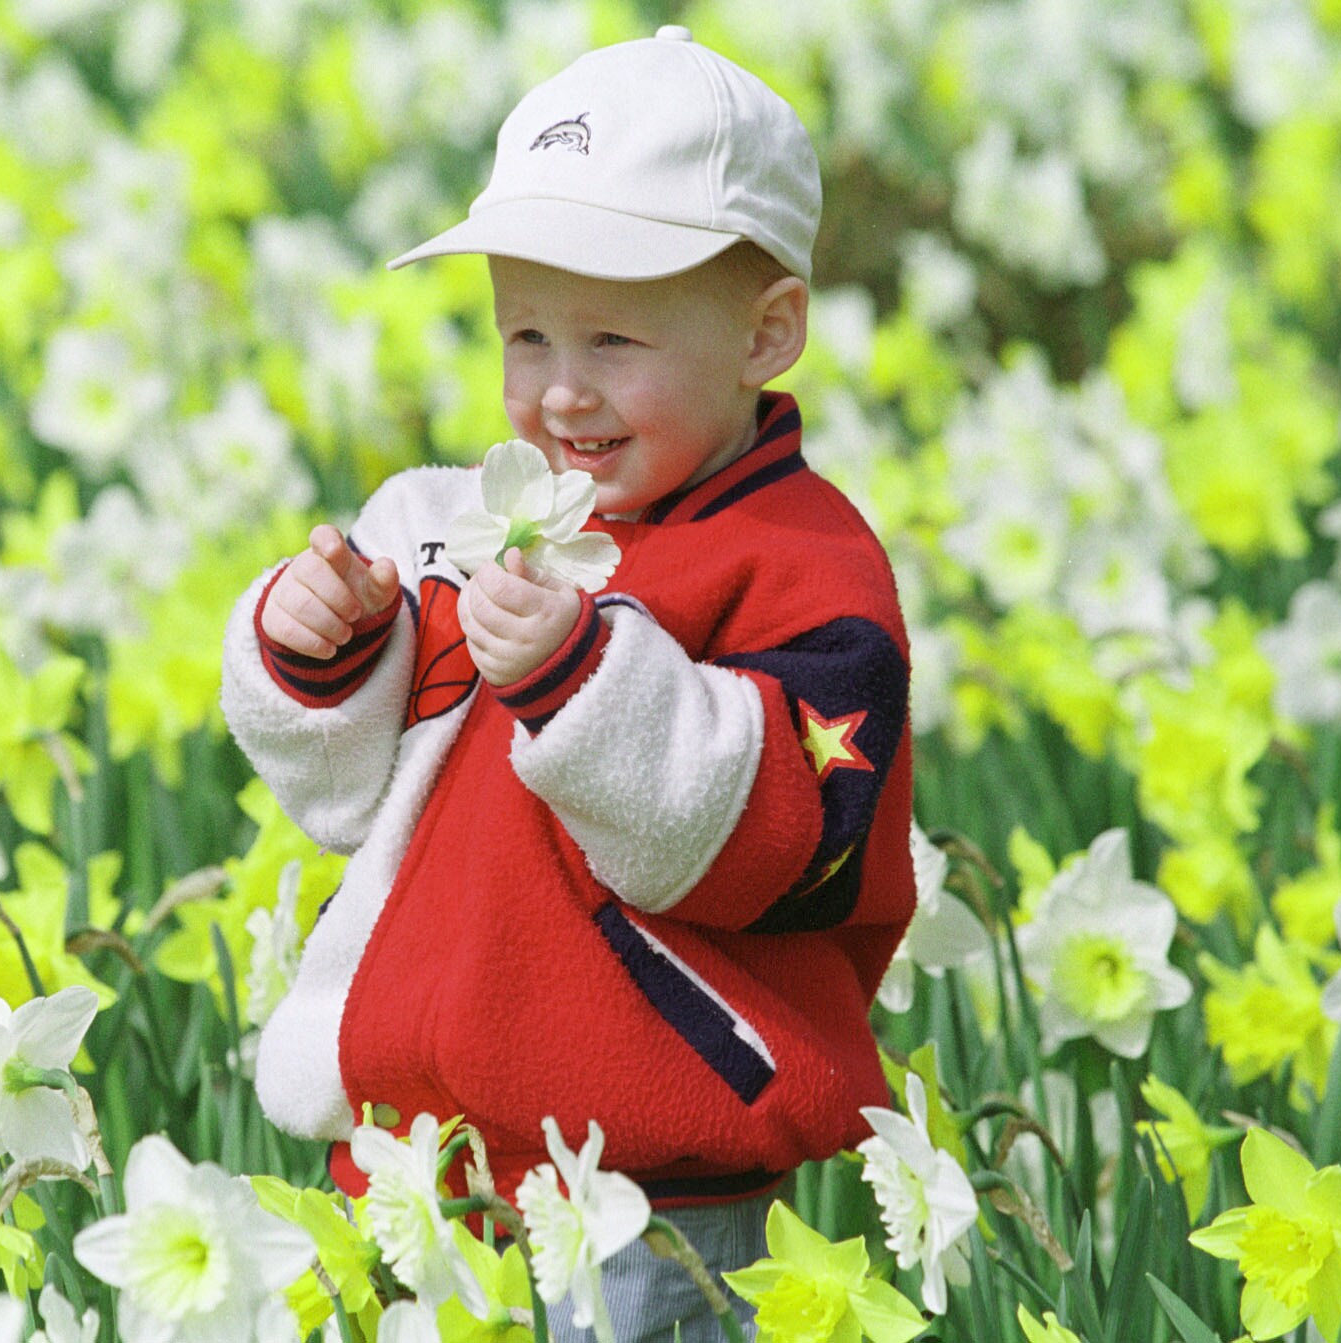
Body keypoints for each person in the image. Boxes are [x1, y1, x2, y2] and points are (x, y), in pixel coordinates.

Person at [220, 25, 916, 1342]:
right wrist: (318, 643)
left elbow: (770, 841)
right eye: (525, 334)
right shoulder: (449, 515)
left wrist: (583, 676)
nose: (557, 394)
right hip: (409, 1155)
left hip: (644, 1179)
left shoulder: (804, 572)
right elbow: (341, 785)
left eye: (612, 340)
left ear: (768, 335)